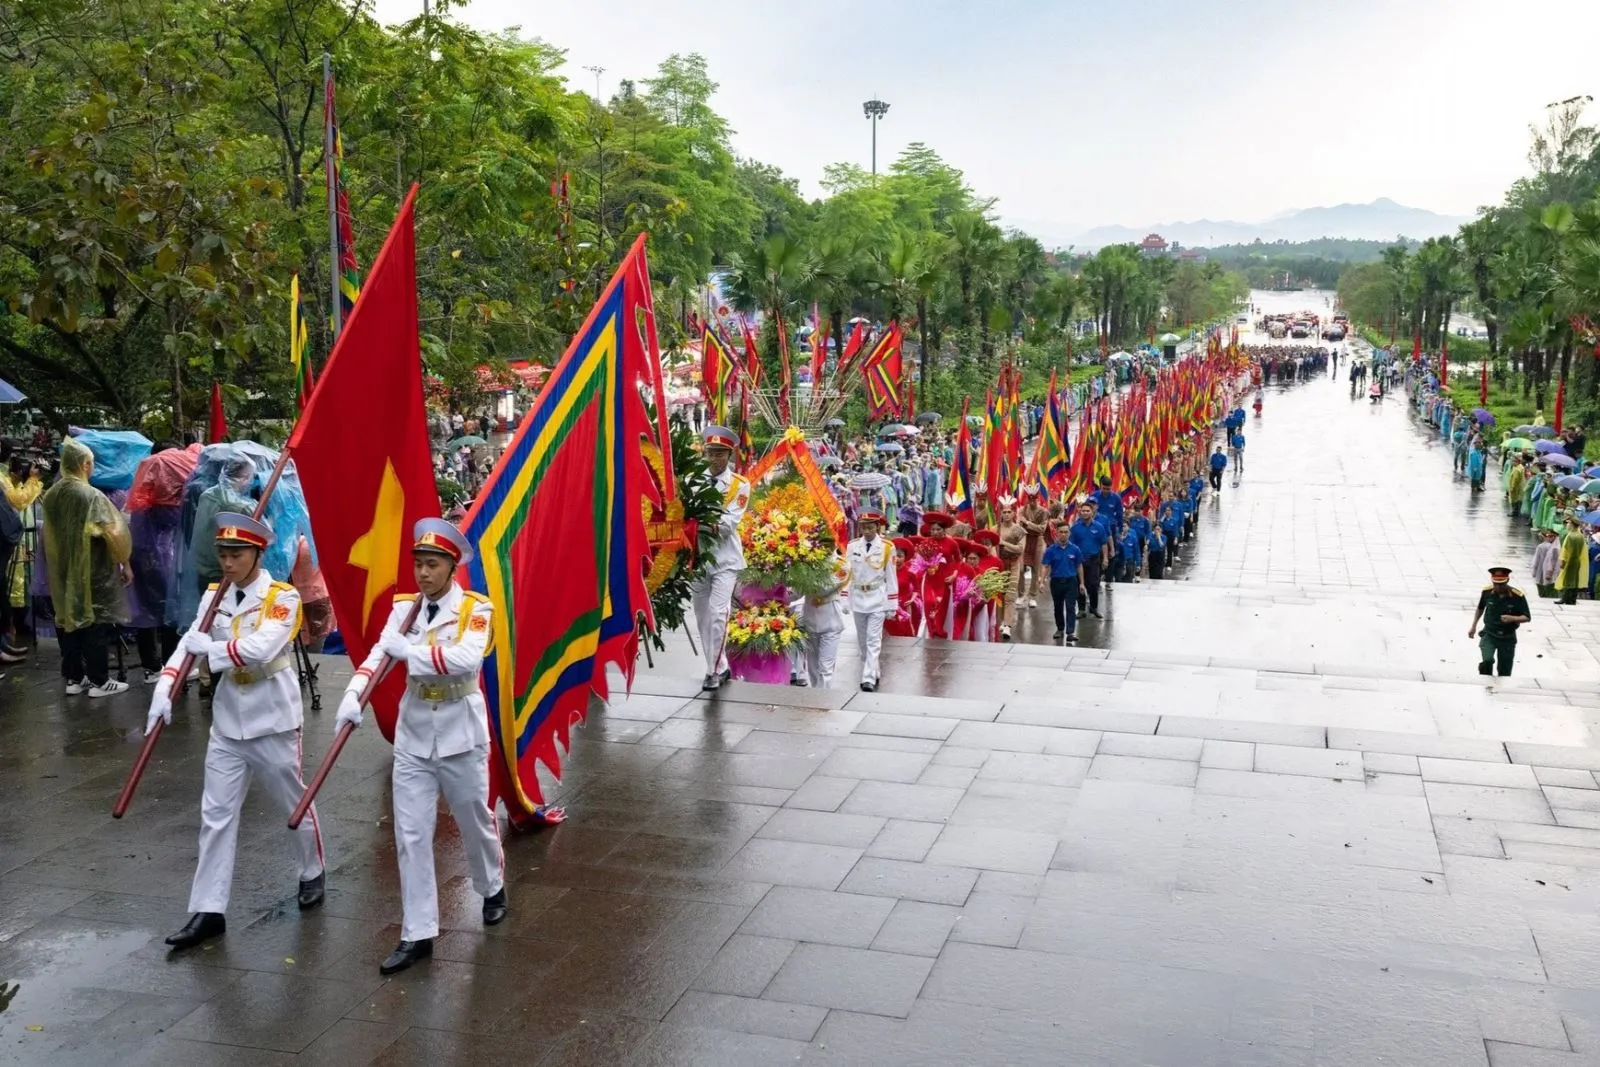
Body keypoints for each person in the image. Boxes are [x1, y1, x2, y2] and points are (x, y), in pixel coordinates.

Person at [151, 512, 325, 951]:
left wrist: (209, 651)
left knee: (293, 805)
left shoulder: (281, 598)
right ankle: (208, 909)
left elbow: (260, 647)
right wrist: (167, 685)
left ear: (256, 554)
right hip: (229, 721)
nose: (226, 563)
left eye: (235, 555)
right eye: (222, 554)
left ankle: (311, 870)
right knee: (216, 816)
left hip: (272, 717)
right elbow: (188, 642)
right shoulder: (216, 597)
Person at [337, 518, 504, 974]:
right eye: (419, 565)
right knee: (410, 834)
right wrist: (355, 692)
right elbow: (380, 654)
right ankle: (418, 932)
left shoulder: (476, 609)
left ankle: (491, 885)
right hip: (414, 732)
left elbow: (466, 658)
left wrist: (408, 651)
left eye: (432, 565)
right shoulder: (404, 609)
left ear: (452, 567)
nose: (424, 574)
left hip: (459, 731)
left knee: (474, 819)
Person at [41, 437, 133, 697]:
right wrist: (124, 561)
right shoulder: (91, 495)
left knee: (69, 618)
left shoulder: (52, 494)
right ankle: (99, 680)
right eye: (91, 463)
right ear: (84, 464)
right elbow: (114, 533)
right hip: (93, 568)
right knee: (94, 621)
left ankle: (74, 677)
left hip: (61, 567)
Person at [690, 427, 749, 690]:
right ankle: (717, 664)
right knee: (702, 616)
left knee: (718, 613)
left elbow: (728, 524)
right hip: (699, 556)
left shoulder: (739, 484)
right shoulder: (693, 479)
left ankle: (712, 671)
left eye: (719, 454)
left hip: (725, 558)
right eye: (710, 453)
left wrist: (697, 523)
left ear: (729, 455)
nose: (713, 458)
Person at [844, 511, 897, 691]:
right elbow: (847, 574)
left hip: (877, 598)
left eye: (870, 527)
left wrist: (892, 603)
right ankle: (873, 669)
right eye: (864, 527)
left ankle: (867, 677)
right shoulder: (852, 546)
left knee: (873, 639)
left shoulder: (887, 547)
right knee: (862, 640)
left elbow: (891, 576)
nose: (866, 530)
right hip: (859, 597)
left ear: (877, 527)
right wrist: (845, 597)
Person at [1469, 565, 1531, 677]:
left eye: (1501, 584)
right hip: (1489, 633)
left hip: (1508, 637)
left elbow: (1527, 617)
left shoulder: (1517, 596)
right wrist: (1473, 626)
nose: (1498, 586)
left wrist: (1513, 618)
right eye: (1495, 583)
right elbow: (1480, 608)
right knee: (1487, 660)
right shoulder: (1487, 592)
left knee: (1504, 672)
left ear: (1507, 580)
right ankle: (1485, 682)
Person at [799, 551, 849, 687]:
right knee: (812, 666)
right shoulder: (807, 560)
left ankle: (822, 699)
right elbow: (797, 591)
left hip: (831, 620)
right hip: (810, 618)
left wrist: (804, 578)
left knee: (825, 667)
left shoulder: (842, 564)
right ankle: (817, 695)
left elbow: (825, 587)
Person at [1041, 522, 1085, 642]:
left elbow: (1079, 566)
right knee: (1058, 606)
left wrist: (1081, 583)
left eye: (1066, 532)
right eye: (1061, 532)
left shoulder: (1075, 549)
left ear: (1069, 533)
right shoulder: (1051, 550)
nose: (1064, 534)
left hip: (1071, 582)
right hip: (1056, 582)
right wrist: (1042, 581)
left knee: (1071, 607)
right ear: (1056, 533)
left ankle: (1070, 632)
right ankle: (1060, 629)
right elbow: (1045, 566)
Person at [1068, 499, 1110, 619]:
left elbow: (1103, 543)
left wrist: (1105, 558)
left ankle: (1094, 608)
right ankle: (1081, 609)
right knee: (1079, 585)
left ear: (1092, 512)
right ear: (1080, 513)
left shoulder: (1099, 527)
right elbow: (1071, 545)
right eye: (1083, 511)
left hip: (1094, 559)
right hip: (1079, 561)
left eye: (1087, 511)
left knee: (1093, 584)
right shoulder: (1075, 528)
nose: (1085, 513)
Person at [994, 501, 1026, 640]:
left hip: (1013, 565)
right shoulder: (995, 529)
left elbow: (1020, 549)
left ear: (1013, 513)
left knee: (1010, 595)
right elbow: (990, 548)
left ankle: (1008, 625)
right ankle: (1000, 621)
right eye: (1004, 512)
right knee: (999, 594)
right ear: (1000, 513)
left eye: (1009, 512)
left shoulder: (1019, 530)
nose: (1006, 514)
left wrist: (1004, 543)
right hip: (999, 566)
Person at [1018, 489, 1050, 608]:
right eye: (1030, 499)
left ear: (1037, 499)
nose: (1032, 502)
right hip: (1025, 539)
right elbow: (1019, 525)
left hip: (1038, 540)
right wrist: (1027, 525)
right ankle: (1021, 595)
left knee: (1036, 569)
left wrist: (1027, 523)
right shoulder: (1022, 510)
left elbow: (1042, 529)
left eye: (1034, 499)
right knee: (1021, 569)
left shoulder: (1044, 512)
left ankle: (1032, 596)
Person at [1557, 516, 1591, 606]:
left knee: (1567, 581)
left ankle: (1564, 598)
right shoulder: (1580, 536)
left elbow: (1566, 551)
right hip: (1577, 561)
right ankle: (1572, 599)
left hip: (1570, 561)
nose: (1567, 525)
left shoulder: (1571, 536)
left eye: (1568, 523)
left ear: (1572, 525)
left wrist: (1563, 562)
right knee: (1574, 581)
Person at [1530, 528, 1560, 598]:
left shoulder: (1542, 547)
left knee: (1545, 591)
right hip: (1549, 572)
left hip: (1543, 572)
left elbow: (1537, 560)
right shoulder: (1554, 546)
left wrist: (1534, 571)